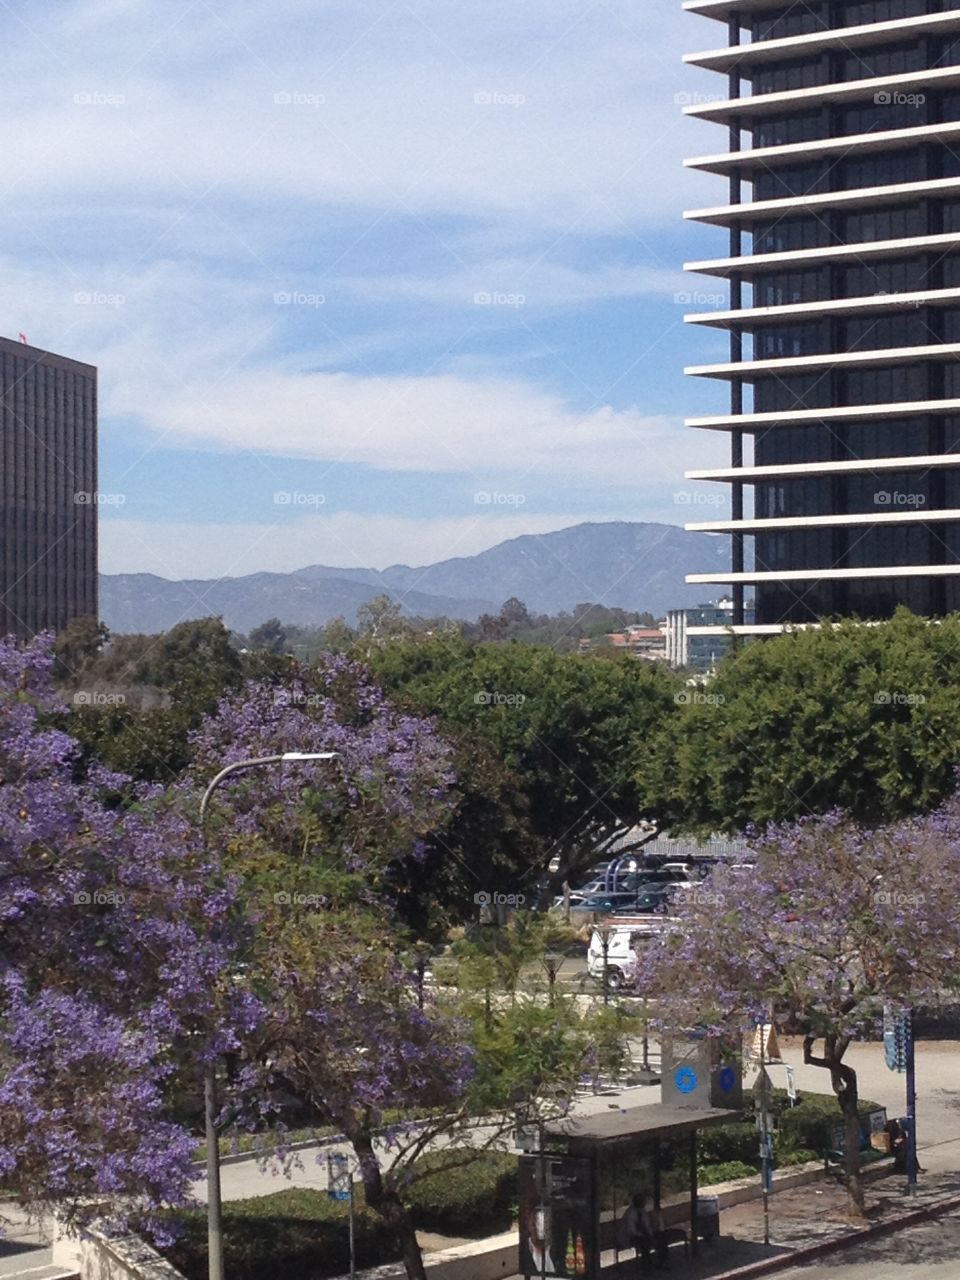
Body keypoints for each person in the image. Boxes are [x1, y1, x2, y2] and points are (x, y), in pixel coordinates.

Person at [619, 1193, 669, 1269]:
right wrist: (645, 1235)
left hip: (642, 1234)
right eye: (640, 1201)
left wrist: (651, 1234)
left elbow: (647, 1226)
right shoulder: (630, 1213)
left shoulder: (642, 1211)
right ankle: (646, 1266)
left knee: (661, 1236)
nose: (642, 1203)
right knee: (645, 1242)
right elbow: (631, 1231)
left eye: (643, 1201)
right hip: (631, 1237)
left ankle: (663, 1261)